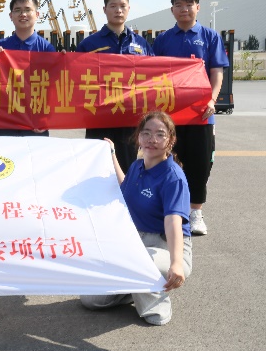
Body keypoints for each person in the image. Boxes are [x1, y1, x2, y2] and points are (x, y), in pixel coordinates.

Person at [81, 110, 192, 326]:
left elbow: (173, 223)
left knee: (139, 268)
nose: (152, 139)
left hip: (165, 246)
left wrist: (177, 263)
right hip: (135, 242)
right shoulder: (137, 166)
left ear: (171, 140)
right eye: (146, 133)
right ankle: (135, 286)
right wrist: (112, 155)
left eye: (160, 134)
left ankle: (158, 305)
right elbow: (126, 188)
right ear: (138, 137)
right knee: (91, 300)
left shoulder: (173, 177)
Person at [152, 0, 229, 236]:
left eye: (189, 4)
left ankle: (196, 212)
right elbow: (151, 73)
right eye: (179, 5)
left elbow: (217, 71)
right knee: (167, 162)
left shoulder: (210, 36)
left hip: (201, 113)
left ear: (198, 7)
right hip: (169, 115)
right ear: (172, 9)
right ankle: (170, 211)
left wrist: (212, 100)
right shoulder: (163, 40)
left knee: (200, 163)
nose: (184, 9)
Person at [76, 0, 153, 173]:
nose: (118, 10)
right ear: (104, 9)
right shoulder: (89, 44)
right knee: (96, 167)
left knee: (126, 168)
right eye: (113, 6)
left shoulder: (141, 44)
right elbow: (74, 76)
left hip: (129, 117)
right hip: (98, 117)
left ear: (129, 9)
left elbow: (153, 76)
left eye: (122, 6)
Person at [0, 0, 55, 137]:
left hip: (35, 122)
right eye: (18, 10)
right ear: (10, 16)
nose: (23, 14)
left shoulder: (46, 49)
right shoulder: (0, 47)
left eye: (27, 10)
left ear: (37, 14)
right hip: (4, 121)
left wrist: (47, 117)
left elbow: (54, 87)